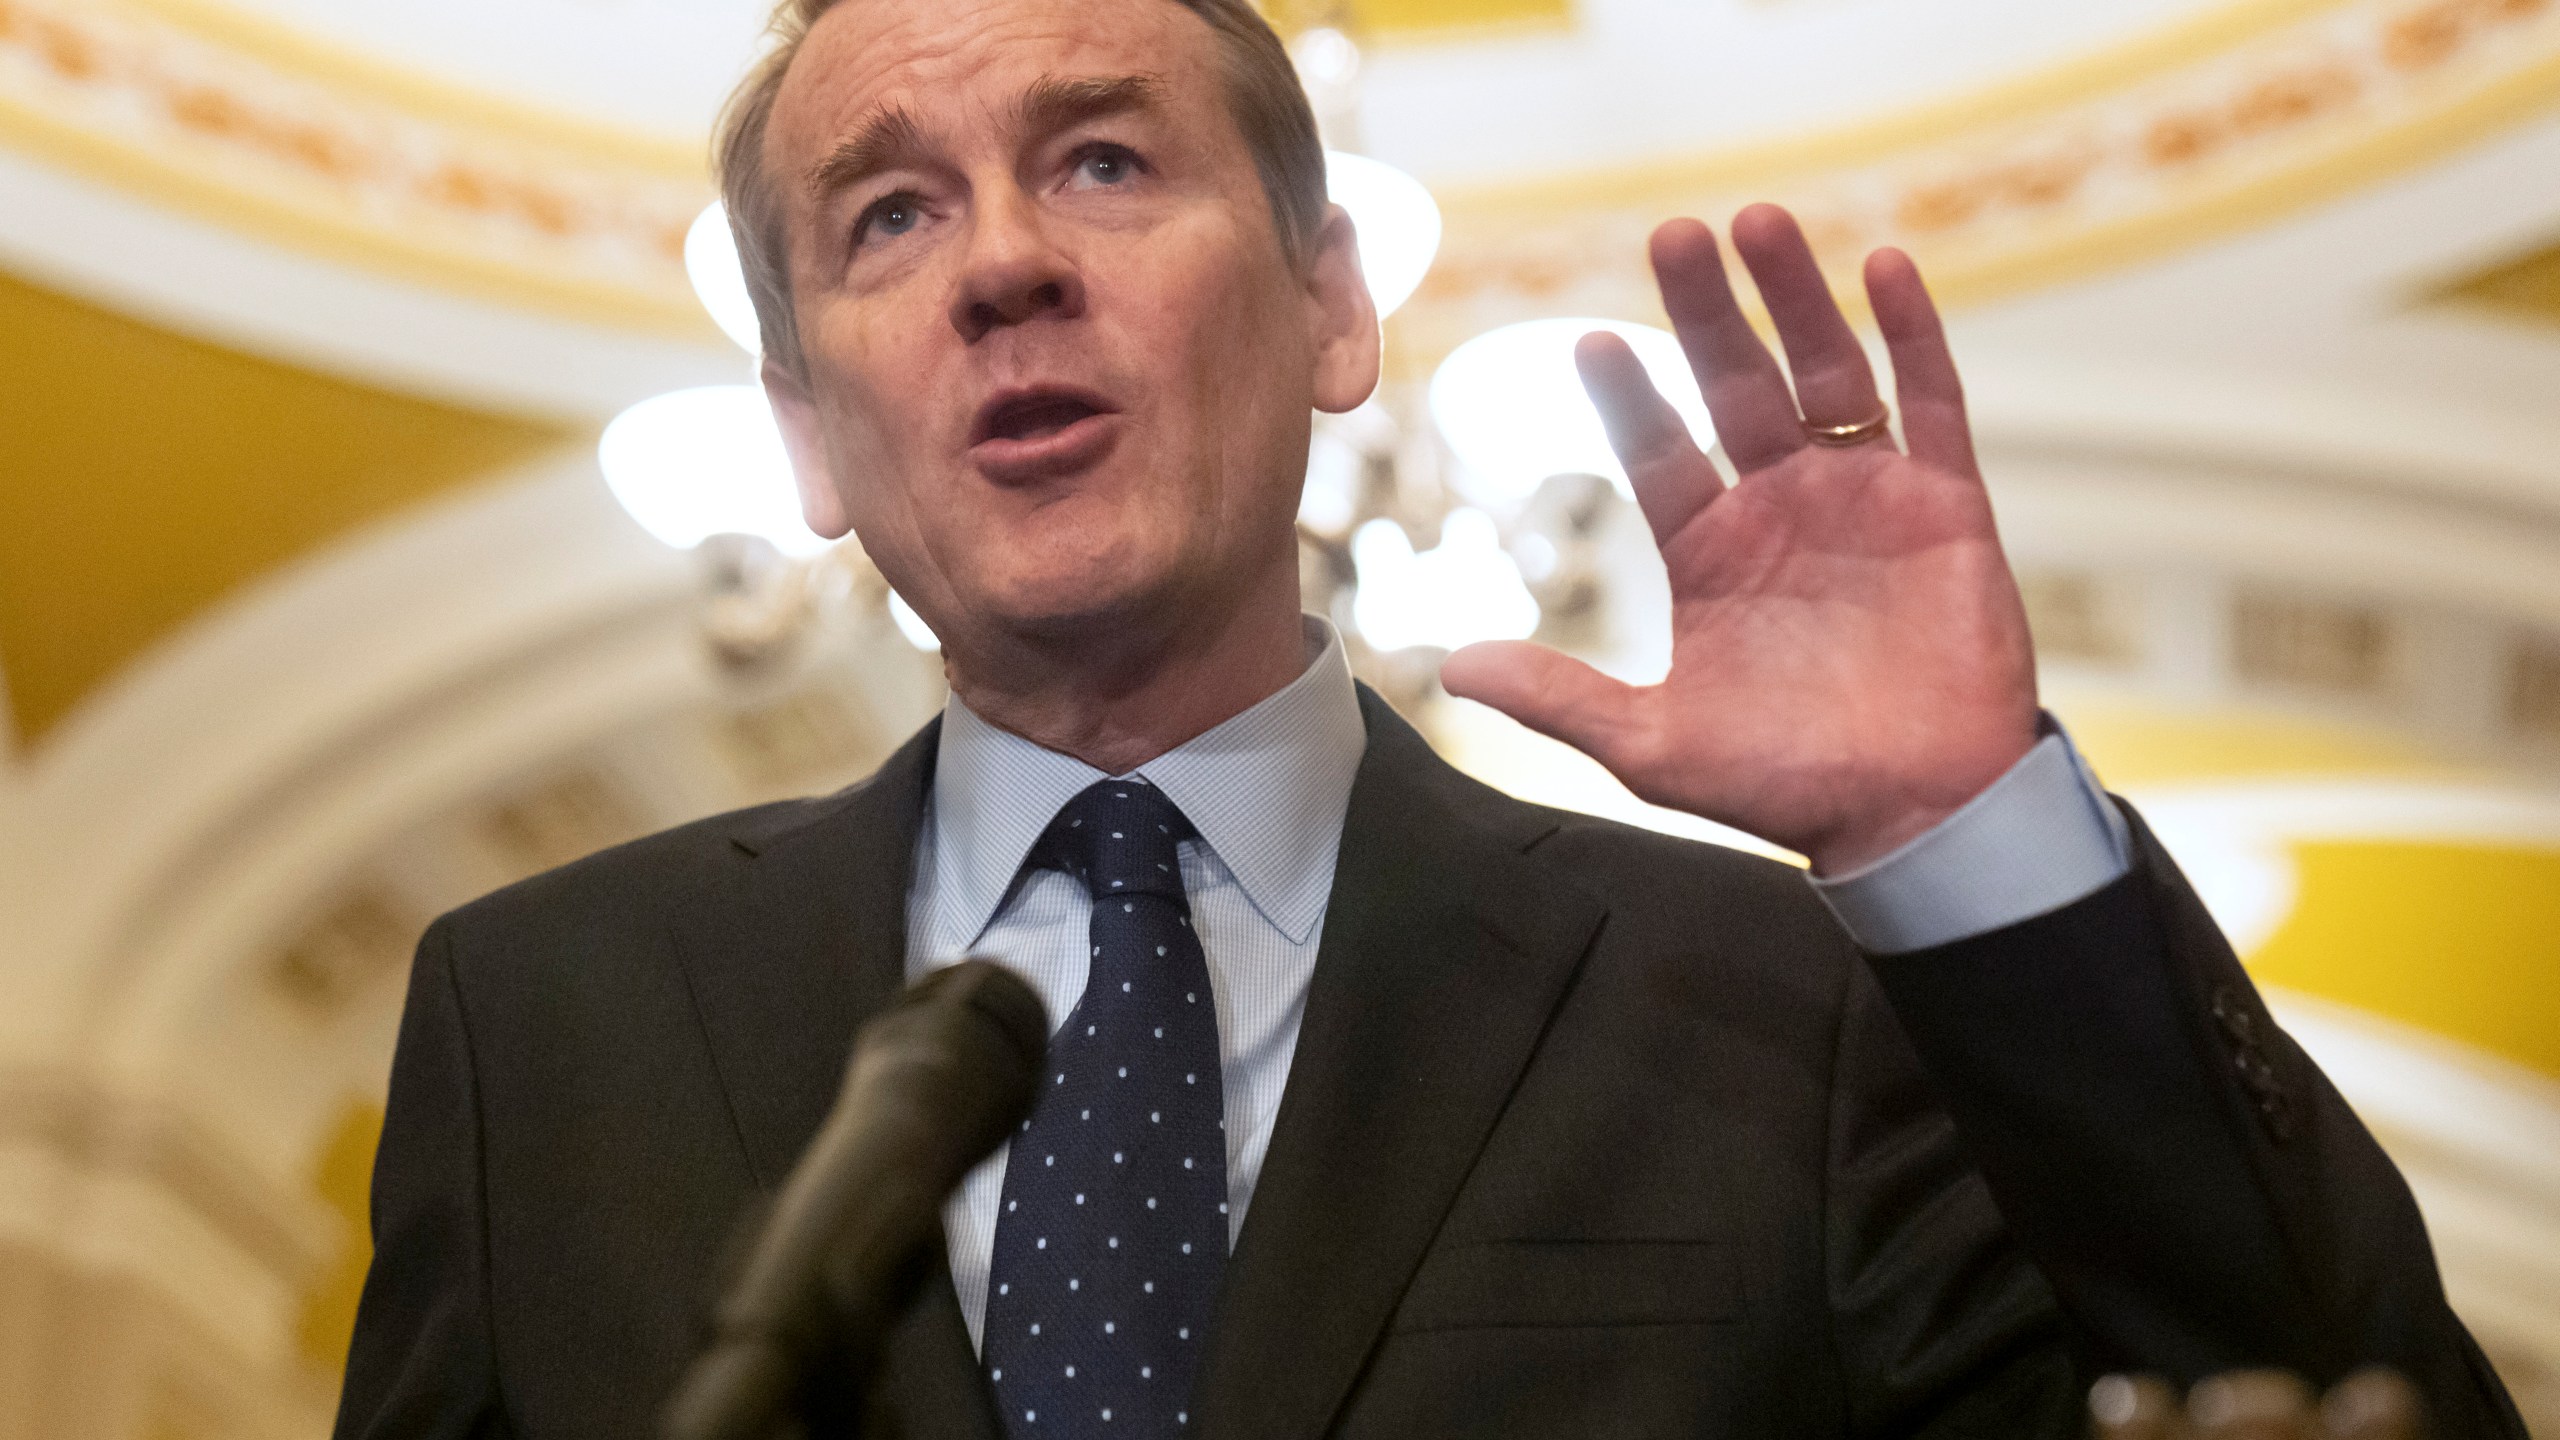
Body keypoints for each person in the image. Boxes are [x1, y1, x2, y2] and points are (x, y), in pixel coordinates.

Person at [332, 0, 2528, 1435]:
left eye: (1102, 162)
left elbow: (2327, 1395)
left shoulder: (1775, 1008)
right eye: (887, 213)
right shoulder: (542, 1026)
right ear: (805, 433)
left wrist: (1960, 844)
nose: (1001, 262)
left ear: (1326, 310)